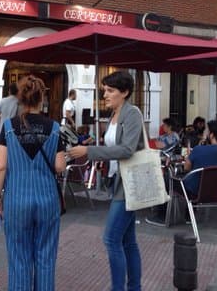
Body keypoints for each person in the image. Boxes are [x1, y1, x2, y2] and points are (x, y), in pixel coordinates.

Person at [68, 71, 144, 291]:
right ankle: (134, 288)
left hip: (128, 185)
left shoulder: (132, 114)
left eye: (110, 90)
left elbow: (127, 149)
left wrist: (89, 150)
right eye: (104, 90)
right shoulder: (114, 114)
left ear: (125, 92)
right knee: (128, 241)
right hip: (116, 181)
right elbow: (113, 147)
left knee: (111, 239)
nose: (105, 94)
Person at [0, 75, 66, 291]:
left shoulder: (8, 126)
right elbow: (60, 166)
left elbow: (1, 166)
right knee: (46, 255)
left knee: (18, 255)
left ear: (21, 98)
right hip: (47, 200)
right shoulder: (53, 127)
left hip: (17, 200)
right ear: (41, 97)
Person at [183, 120, 217, 196]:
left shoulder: (198, 149)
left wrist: (189, 156)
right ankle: (190, 207)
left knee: (167, 180)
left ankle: (166, 208)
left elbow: (186, 168)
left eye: (207, 132)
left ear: (211, 135)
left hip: (193, 190)